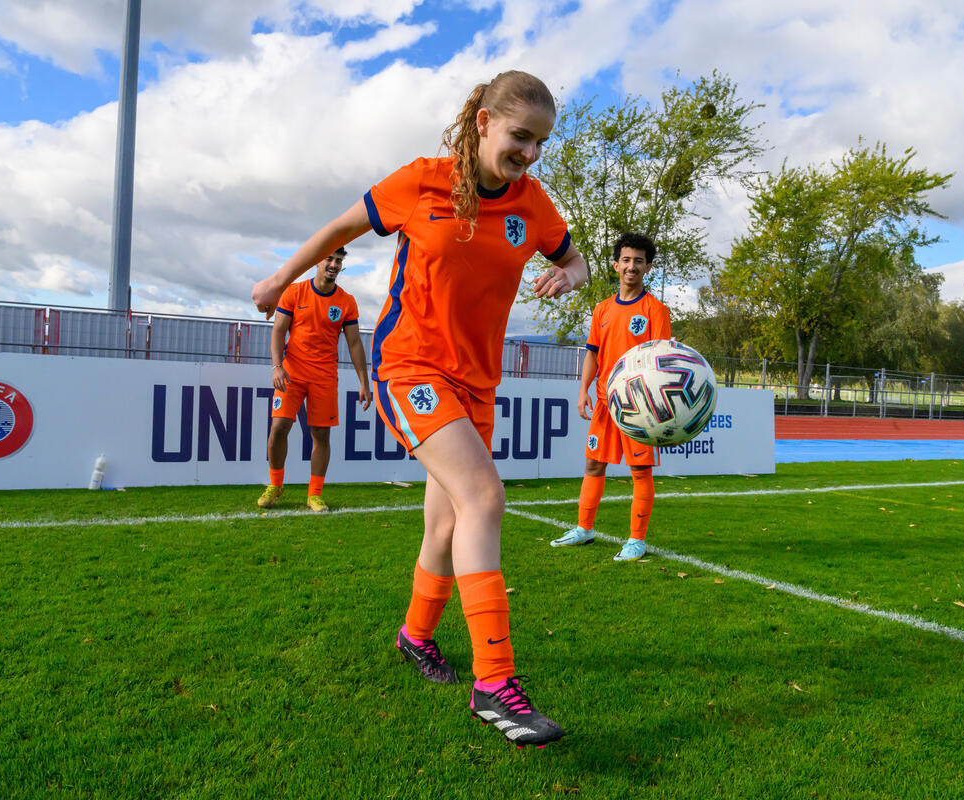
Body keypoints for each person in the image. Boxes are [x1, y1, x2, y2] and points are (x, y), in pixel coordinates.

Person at [251, 71, 588, 748]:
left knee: (447, 522)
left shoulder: (532, 204)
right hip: (409, 366)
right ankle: (494, 683)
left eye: (541, 143)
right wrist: (280, 279)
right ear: (483, 122)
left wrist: (570, 274)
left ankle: (415, 635)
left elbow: (574, 258)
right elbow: (339, 226)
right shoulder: (421, 182)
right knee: (484, 497)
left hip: (478, 385)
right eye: (520, 136)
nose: (529, 154)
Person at [550, 232, 671, 561]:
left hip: (639, 406)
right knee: (593, 464)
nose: (632, 266)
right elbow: (592, 353)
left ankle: (636, 540)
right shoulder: (602, 309)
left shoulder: (656, 310)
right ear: (616, 265)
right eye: (626, 260)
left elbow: (661, 359)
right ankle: (584, 529)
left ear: (648, 267)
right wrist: (583, 391)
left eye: (639, 261)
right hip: (605, 402)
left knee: (640, 471)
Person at [256, 247, 372, 512]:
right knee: (279, 427)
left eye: (339, 261)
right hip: (292, 373)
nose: (334, 264)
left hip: (324, 377)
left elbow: (354, 343)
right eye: (329, 259)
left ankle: (315, 494)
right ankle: (275, 485)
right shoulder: (294, 292)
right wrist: (276, 367)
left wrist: (364, 383)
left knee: (321, 434)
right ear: (318, 262)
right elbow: (278, 331)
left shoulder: (346, 301)